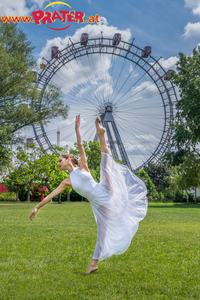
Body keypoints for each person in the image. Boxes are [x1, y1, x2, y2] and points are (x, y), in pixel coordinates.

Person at [29, 115, 148, 274]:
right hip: (99, 204)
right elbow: (50, 195)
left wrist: (77, 129)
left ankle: (101, 134)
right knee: (102, 233)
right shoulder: (66, 182)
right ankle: (94, 264)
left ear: (68, 159)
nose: (58, 164)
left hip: (104, 189)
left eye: (60, 160)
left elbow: (80, 145)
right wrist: (37, 207)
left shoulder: (82, 167)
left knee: (105, 161)